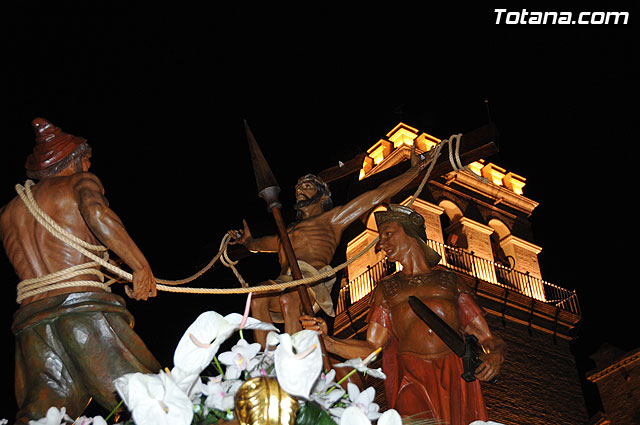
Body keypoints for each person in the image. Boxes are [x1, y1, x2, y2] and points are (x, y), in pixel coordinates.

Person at [0, 118, 161, 424]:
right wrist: (140, 266)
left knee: (42, 414)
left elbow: (61, 254)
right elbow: (97, 214)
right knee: (151, 398)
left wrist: (108, 269)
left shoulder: (8, 212)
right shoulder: (78, 183)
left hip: (32, 326)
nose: (88, 166)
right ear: (74, 160)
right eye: (86, 160)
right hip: (83, 312)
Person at [301, 205, 505, 425]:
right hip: (411, 376)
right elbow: (372, 348)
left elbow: (488, 338)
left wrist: (495, 355)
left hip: (453, 372)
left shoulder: (450, 282)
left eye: (388, 234)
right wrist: (328, 341)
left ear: (411, 232)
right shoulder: (387, 289)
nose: (381, 244)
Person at [229, 145, 433, 348]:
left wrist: (414, 170)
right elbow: (259, 244)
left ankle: (293, 356)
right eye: (299, 187)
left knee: (289, 300)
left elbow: (376, 195)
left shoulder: (332, 219)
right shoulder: (287, 232)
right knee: (256, 296)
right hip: (286, 279)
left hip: (311, 277)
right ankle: (267, 357)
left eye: (307, 186)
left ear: (323, 195)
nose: (300, 190)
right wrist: (247, 242)